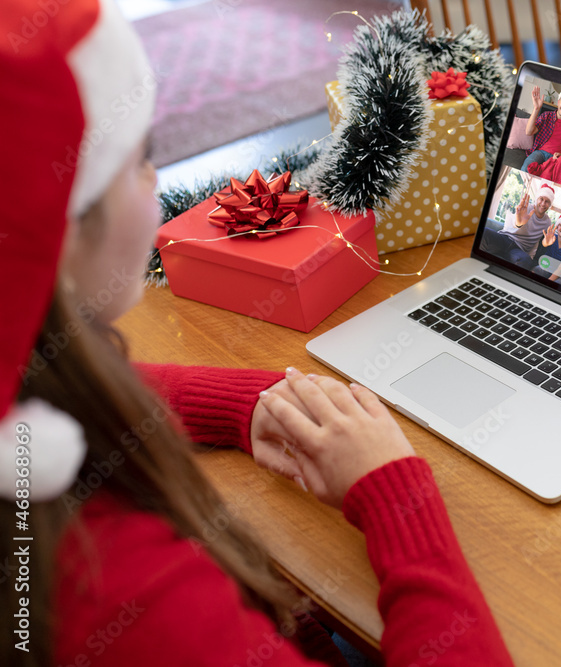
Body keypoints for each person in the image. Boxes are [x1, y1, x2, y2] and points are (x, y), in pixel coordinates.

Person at [0, 3, 514, 667]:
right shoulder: (133, 602)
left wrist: (246, 402)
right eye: (141, 158)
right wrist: (396, 493)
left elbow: (59, 396)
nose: (156, 179)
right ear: (57, 231)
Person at [481, 182, 555, 269]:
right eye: (541, 199)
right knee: (483, 232)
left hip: (518, 249)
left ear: (550, 205)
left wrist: (545, 244)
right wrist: (518, 224)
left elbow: (540, 241)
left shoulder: (547, 222)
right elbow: (513, 222)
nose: (543, 203)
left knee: (525, 261)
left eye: (547, 201)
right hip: (505, 238)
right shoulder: (526, 207)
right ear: (537, 199)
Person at [521, 86, 561, 171]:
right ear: (558, 102)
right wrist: (536, 109)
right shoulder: (547, 115)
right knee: (526, 169)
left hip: (556, 158)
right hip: (540, 153)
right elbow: (528, 132)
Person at [531, 211, 561, 283]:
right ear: (557, 227)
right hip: (545, 267)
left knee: (560, 282)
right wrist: (545, 243)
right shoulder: (551, 237)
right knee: (538, 269)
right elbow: (544, 244)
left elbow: (560, 269)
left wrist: (548, 282)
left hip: (557, 274)